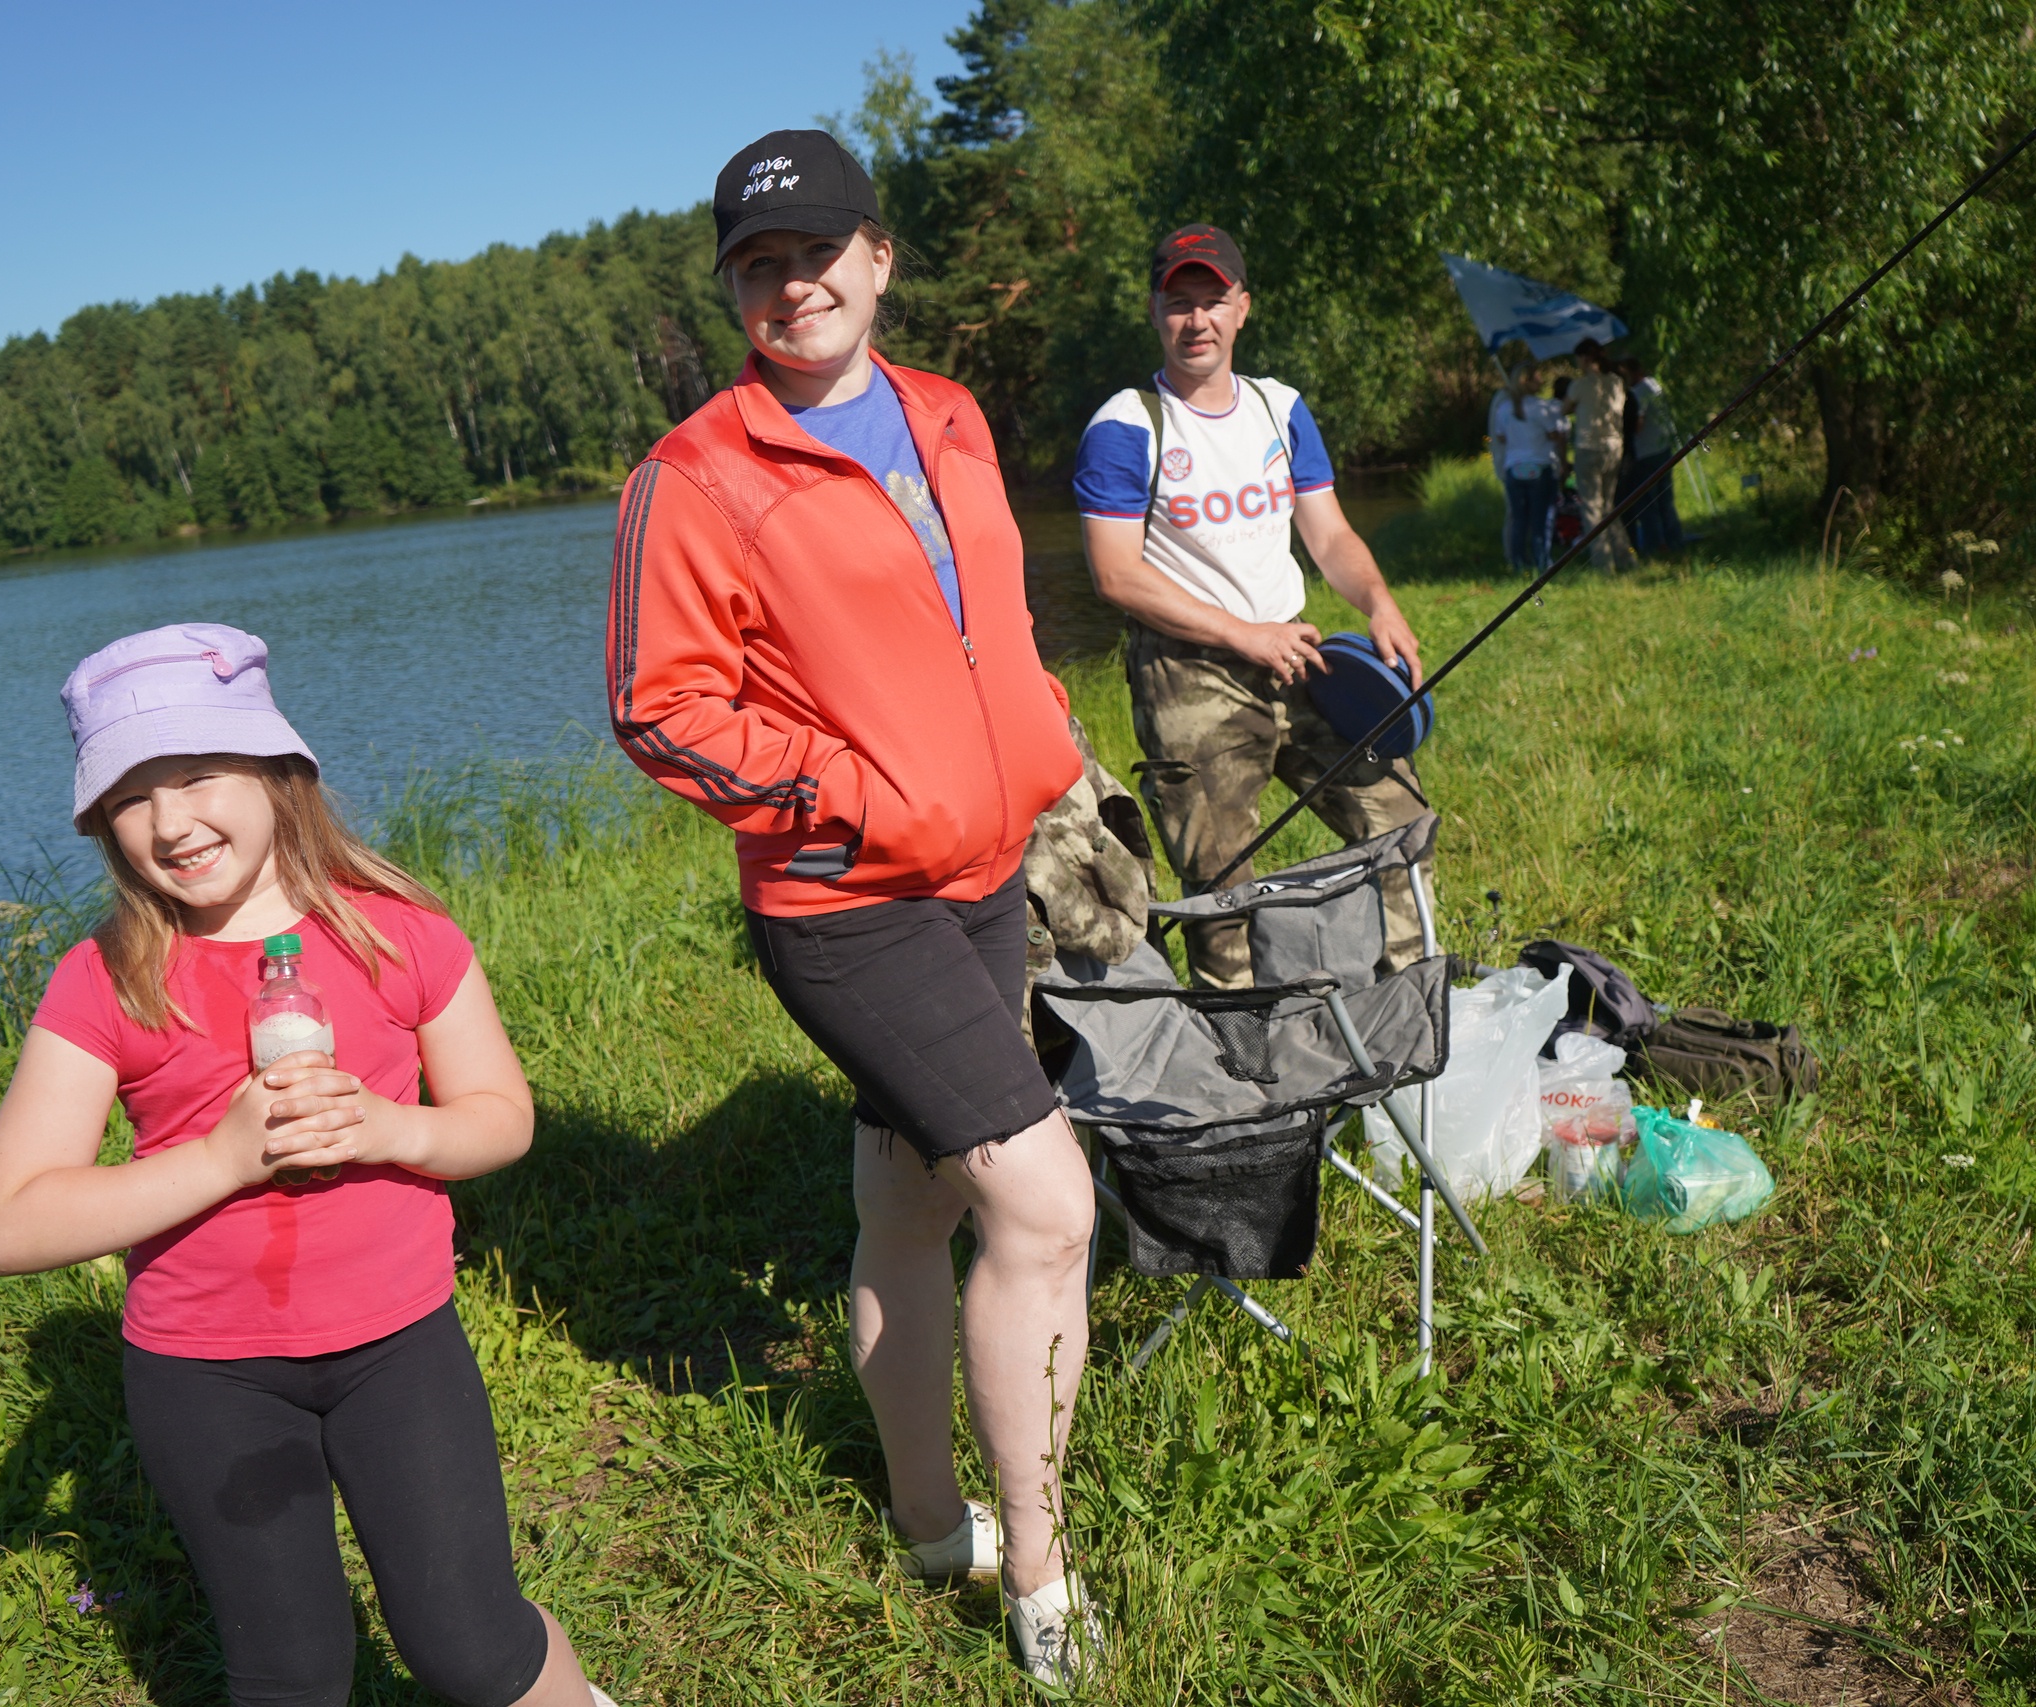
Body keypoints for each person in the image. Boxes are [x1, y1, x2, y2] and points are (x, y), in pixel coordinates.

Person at [603, 130, 1102, 1685]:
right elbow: (653, 704)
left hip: (987, 867)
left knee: (912, 1201)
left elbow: (982, 616)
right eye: (759, 264)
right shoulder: (692, 477)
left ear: (880, 256)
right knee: (1047, 1203)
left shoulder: (947, 413)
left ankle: (920, 1513)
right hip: (846, 899)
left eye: (818, 250)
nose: (793, 282)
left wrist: (1039, 728)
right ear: (734, 291)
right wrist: (843, 784)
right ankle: (1039, 1572)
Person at [0, 624, 615, 1707]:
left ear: (278, 770)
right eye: (131, 797)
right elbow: (11, 1225)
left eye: (195, 775)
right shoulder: (107, 980)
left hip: (399, 1347)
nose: (169, 823)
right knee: (292, 1676)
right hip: (205, 1377)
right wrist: (223, 1159)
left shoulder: (397, 934)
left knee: (470, 1648)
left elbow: (501, 1118)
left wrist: (387, 1129)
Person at [1073, 223, 1432, 989]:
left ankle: (1410, 999)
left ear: (1243, 309)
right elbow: (1116, 575)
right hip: (1189, 674)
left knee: (1397, 821)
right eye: (1179, 303)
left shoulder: (1280, 408)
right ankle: (1238, 1046)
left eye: (1213, 300)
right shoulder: (1125, 425)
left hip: (1304, 659)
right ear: (1153, 312)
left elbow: (1328, 534)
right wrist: (1245, 635)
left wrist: (1378, 602)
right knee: (1219, 881)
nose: (1196, 320)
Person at [1487, 362, 1563, 571]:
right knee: (1541, 519)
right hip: (1539, 467)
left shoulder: (1503, 408)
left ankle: (1518, 561)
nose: (1541, 380)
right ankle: (1543, 562)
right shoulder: (1542, 407)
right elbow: (1555, 434)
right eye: (1538, 376)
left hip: (1515, 469)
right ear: (1528, 381)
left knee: (1520, 519)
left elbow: (1501, 437)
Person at [1564, 339, 1633, 570]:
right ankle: (1625, 558)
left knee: (1592, 507)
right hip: (1614, 447)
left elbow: (1564, 408)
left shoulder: (1580, 385)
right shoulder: (1615, 382)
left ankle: (1604, 564)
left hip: (1588, 447)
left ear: (1585, 358)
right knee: (1608, 505)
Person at [1618, 359, 1683, 555]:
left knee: (1647, 503)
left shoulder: (1638, 392)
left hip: (1646, 452)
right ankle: (1674, 542)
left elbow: (1638, 424)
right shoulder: (1654, 384)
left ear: (1632, 372)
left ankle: (1654, 547)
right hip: (1663, 449)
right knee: (1665, 501)